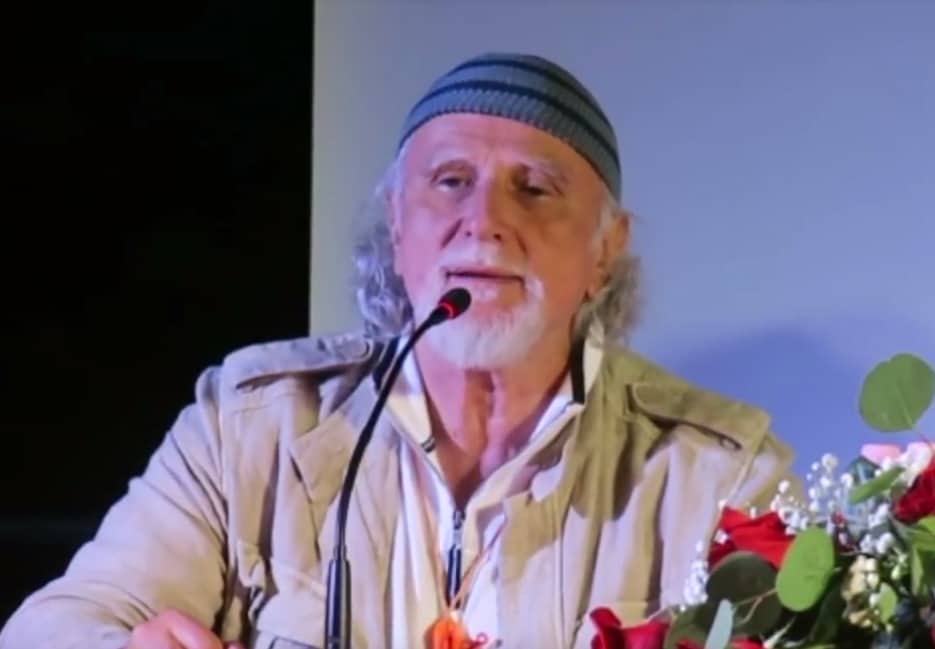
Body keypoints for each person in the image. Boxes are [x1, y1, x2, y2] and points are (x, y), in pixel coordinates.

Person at [0, 52, 798, 649]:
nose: (484, 221)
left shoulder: (718, 471)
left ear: (605, 251)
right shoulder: (251, 423)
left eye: (533, 187)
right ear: (396, 226)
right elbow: (53, 625)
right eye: (449, 180)